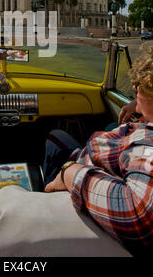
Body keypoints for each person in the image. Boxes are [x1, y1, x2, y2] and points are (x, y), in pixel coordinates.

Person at [43, 46, 153, 255]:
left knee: (53, 138)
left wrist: (69, 173)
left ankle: (45, 198)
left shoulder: (148, 146)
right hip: (98, 158)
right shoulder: (146, 118)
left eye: (139, 86)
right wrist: (137, 105)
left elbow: (138, 215)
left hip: (81, 175)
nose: (135, 89)